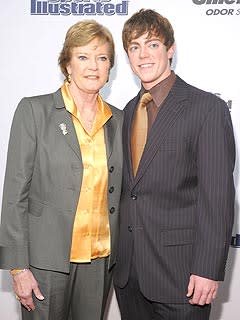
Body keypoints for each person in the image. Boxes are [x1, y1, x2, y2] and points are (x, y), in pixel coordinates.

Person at [113, 9, 235, 320]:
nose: (143, 55)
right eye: (134, 47)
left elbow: (217, 197)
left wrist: (208, 269)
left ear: (170, 49)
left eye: (152, 44)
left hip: (182, 277)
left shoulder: (207, 108)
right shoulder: (127, 112)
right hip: (130, 276)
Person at [0, 19, 123, 320]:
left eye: (102, 58)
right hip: (45, 263)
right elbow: (15, 194)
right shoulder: (34, 111)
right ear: (67, 64)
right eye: (83, 56)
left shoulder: (120, 121)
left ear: (110, 69)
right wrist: (18, 267)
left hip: (99, 261)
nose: (93, 66)